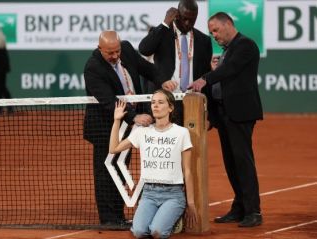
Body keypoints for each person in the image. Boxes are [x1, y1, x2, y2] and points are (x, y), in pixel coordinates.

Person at [188, 12, 263, 227]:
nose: (214, 35)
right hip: (225, 115)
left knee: (242, 162)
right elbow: (224, 77)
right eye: (211, 32)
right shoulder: (227, 51)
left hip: (240, 114)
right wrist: (214, 71)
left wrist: (205, 78)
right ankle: (239, 207)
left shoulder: (245, 45)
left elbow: (231, 71)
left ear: (228, 24)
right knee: (231, 164)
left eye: (216, 30)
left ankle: (253, 212)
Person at [83, 30, 157, 226]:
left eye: (117, 51)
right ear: (100, 49)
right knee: (106, 173)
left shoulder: (127, 51)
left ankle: (119, 215)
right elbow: (109, 102)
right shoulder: (93, 67)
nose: (115, 56)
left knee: (120, 169)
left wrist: (166, 78)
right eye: (110, 53)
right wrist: (135, 117)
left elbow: (149, 70)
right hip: (104, 127)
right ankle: (109, 219)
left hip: (126, 127)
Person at [109, 89, 197, 238]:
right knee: (139, 232)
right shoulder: (142, 132)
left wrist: (191, 203)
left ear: (171, 107)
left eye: (160, 102)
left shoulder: (181, 133)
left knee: (157, 232)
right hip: (149, 193)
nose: (155, 106)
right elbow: (113, 148)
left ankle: (172, 220)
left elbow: (187, 170)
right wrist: (117, 120)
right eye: (153, 102)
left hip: (173, 195)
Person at [138, 0, 212, 93]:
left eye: (192, 20)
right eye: (184, 18)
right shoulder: (162, 33)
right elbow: (144, 49)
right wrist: (165, 23)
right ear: (177, 15)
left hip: (193, 99)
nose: (187, 23)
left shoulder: (204, 40)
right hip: (165, 97)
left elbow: (205, 73)